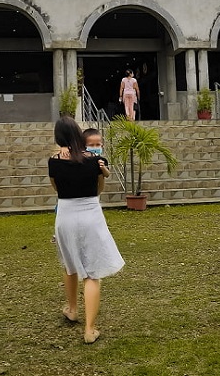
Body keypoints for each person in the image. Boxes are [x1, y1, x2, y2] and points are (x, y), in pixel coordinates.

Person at [48, 117, 124, 344]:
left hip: (66, 214)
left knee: (69, 262)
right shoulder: (95, 160)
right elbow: (99, 189)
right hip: (90, 214)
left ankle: (72, 308)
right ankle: (90, 330)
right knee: (91, 274)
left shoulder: (53, 161)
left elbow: (56, 189)